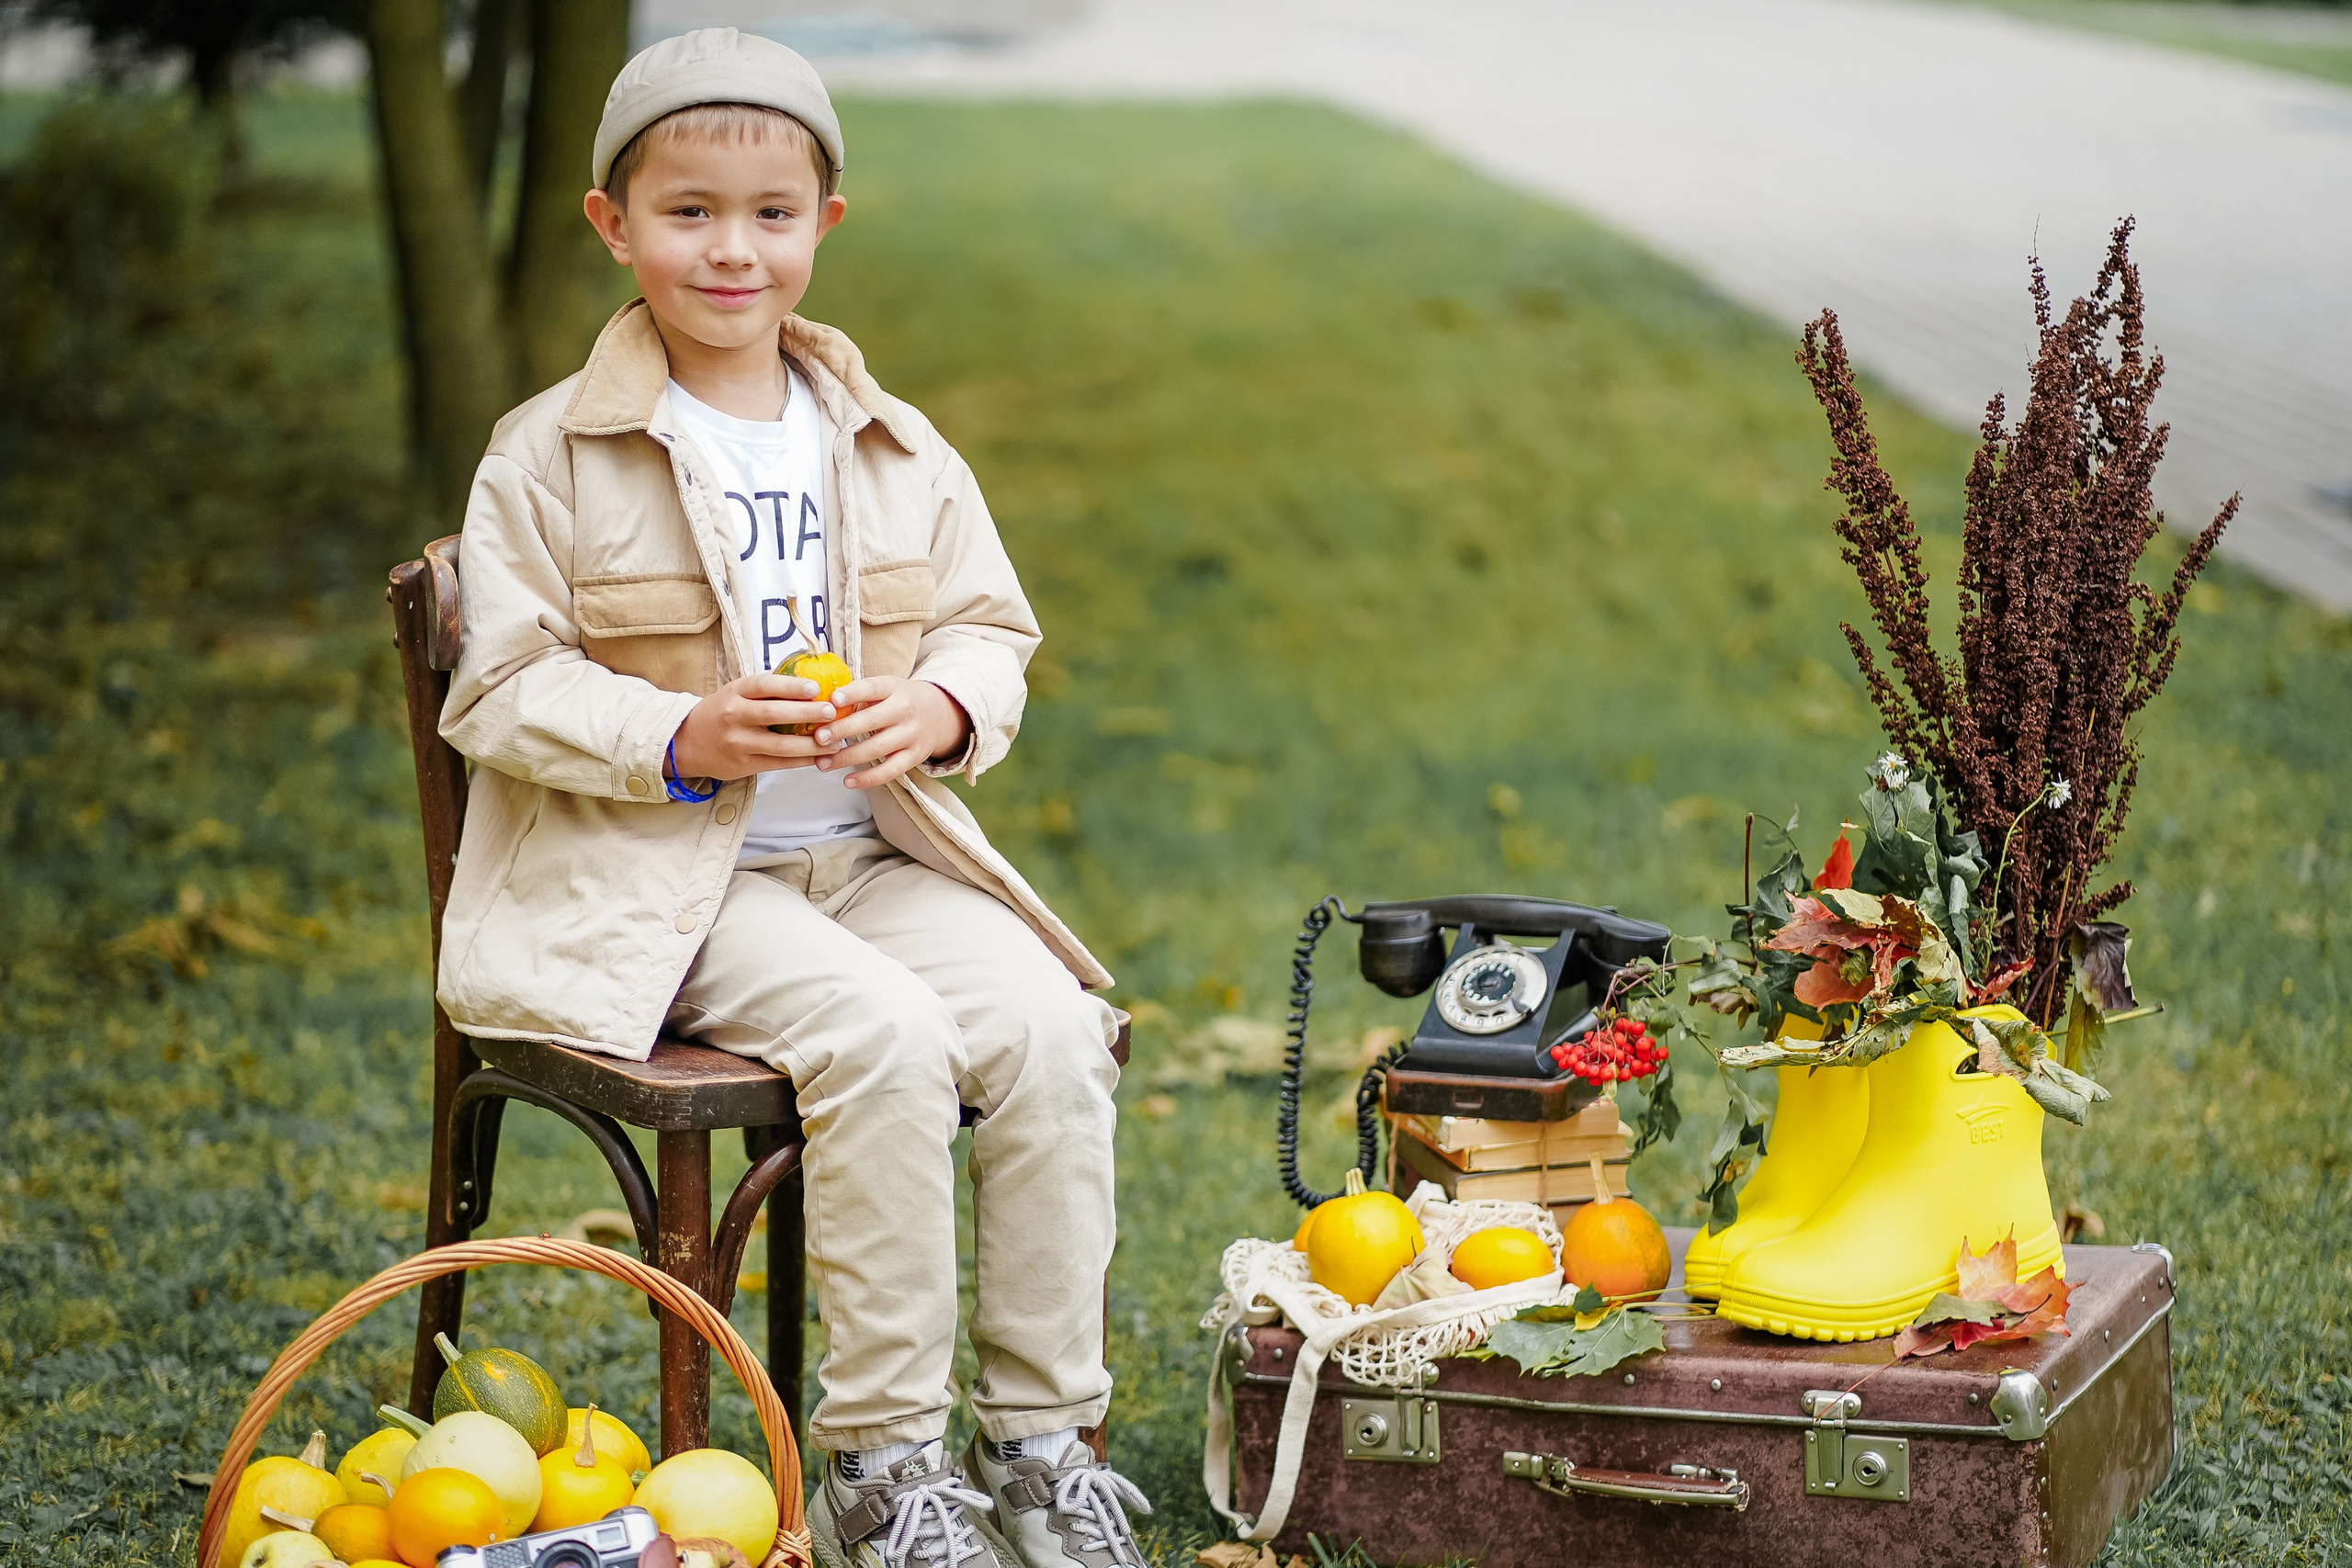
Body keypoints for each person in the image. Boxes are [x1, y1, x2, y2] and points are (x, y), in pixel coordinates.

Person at [435, 28, 1148, 1568]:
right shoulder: (551, 456)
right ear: (612, 223)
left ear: (823, 224)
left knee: (1046, 1029)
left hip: (874, 862)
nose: (731, 248)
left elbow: (989, 628)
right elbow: (498, 688)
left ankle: (1038, 1446)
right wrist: (681, 730)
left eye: (770, 214)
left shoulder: (889, 444)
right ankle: (882, 1467)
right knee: (882, 1037)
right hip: (672, 887)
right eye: (688, 211)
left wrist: (947, 703)